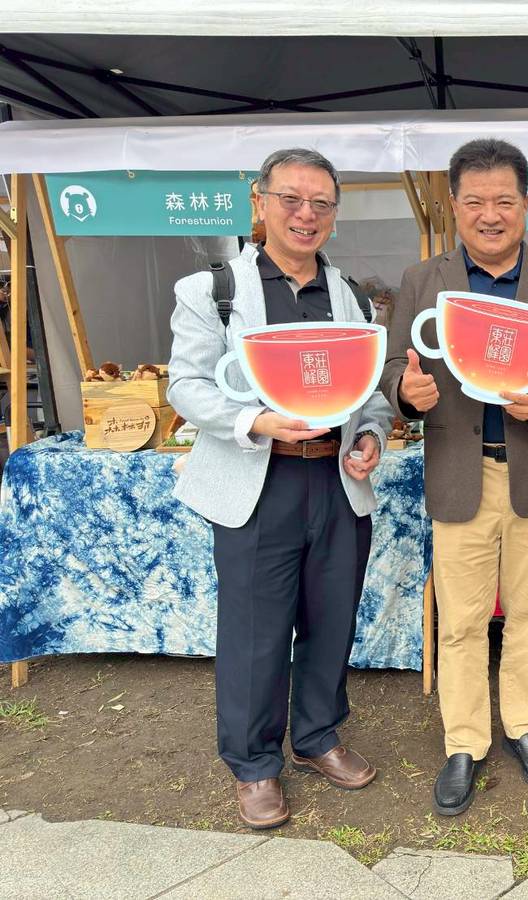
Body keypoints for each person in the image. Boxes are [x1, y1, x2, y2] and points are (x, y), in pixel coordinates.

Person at [167, 149, 393, 829]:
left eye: (321, 203)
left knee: (332, 618)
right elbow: (187, 385)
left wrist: (370, 437)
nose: (305, 215)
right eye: (291, 199)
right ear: (259, 201)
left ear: (334, 215)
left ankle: (317, 736)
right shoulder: (212, 291)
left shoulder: (350, 295)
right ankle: (254, 762)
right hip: (258, 481)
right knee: (255, 629)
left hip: (335, 480)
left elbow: (370, 394)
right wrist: (254, 421)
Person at [380, 138, 528, 817]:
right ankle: (464, 742)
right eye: (475, 201)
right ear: (454, 205)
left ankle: (523, 726)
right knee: (462, 619)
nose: (490, 215)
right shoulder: (423, 280)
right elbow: (394, 365)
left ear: (527, 205)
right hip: (459, 471)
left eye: (504, 200)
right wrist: (404, 391)